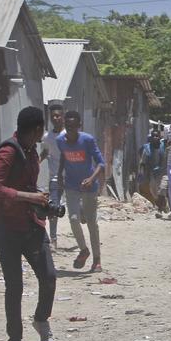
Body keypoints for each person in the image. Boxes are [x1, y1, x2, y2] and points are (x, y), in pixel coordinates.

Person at [0, 106, 57, 341]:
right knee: (14, 286)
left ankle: (41, 319)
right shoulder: (8, 151)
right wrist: (29, 196)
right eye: (42, 130)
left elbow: (25, 185)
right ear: (37, 129)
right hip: (6, 228)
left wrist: (39, 199)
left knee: (48, 277)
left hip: (30, 224)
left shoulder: (31, 151)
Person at [57, 111, 105, 272]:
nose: (70, 130)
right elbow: (63, 157)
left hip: (89, 186)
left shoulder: (87, 140)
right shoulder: (60, 141)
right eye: (67, 127)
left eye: (73, 127)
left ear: (79, 126)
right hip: (71, 185)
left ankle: (97, 260)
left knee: (91, 223)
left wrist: (91, 179)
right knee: (73, 218)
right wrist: (59, 176)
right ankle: (84, 250)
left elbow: (101, 163)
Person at [40, 104, 65, 249]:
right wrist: (36, 163)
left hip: (72, 177)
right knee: (53, 207)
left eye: (58, 115)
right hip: (55, 177)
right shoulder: (47, 137)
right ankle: (53, 240)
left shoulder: (70, 135)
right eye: (53, 116)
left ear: (63, 116)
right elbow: (45, 152)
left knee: (79, 210)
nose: (55, 118)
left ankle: (83, 216)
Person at [139, 129, 167, 214]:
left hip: (163, 173)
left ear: (160, 137)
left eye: (157, 136)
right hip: (152, 174)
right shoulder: (147, 148)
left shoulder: (164, 146)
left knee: (161, 190)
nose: (155, 137)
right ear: (151, 137)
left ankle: (161, 209)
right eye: (153, 136)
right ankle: (162, 207)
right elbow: (142, 162)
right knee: (154, 192)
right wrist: (141, 173)